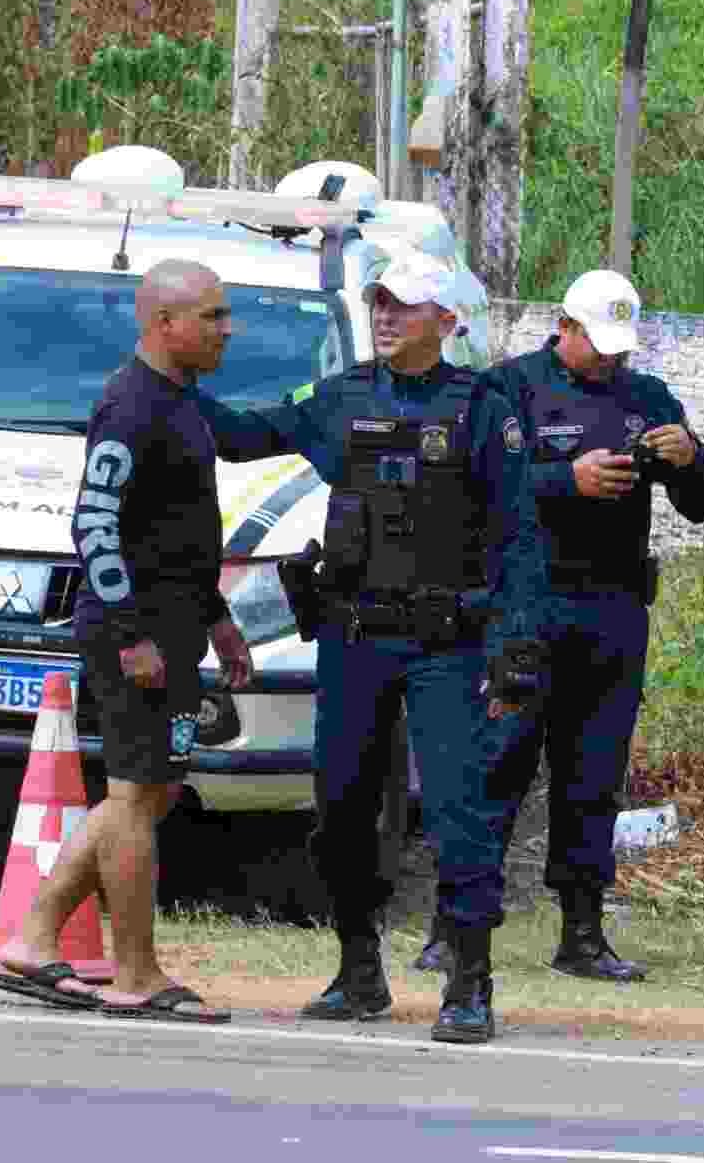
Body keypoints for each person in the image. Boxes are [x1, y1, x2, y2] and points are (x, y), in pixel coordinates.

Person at [194, 250, 547, 1045]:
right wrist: (169, 384)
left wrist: (515, 648)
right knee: (342, 809)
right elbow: (248, 435)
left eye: (403, 306)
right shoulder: (343, 395)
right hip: (355, 637)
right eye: (378, 302)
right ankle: (359, 969)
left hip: (447, 644)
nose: (385, 316)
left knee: (459, 813)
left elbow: (522, 538)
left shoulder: (482, 407)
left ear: (447, 322)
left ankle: (469, 979)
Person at [0, 257, 253, 1025]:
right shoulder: (130, 405)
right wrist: (131, 635)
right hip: (136, 634)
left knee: (148, 794)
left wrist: (218, 616)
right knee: (133, 797)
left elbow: (175, 535)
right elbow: (92, 525)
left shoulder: (184, 400)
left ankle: (31, 937)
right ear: (165, 324)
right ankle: (135, 972)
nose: (229, 330)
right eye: (214, 316)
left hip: (179, 625)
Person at [436, 267, 704, 985]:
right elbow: (467, 491)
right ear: (563, 326)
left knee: (593, 774)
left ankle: (583, 932)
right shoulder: (509, 388)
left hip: (614, 612)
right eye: (598, 344)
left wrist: (693, 461)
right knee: (497, 764)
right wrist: (567, 479)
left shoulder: (646, 397)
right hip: (526, 609)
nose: (610, 360)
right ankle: (456, 928)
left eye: (620, 348)